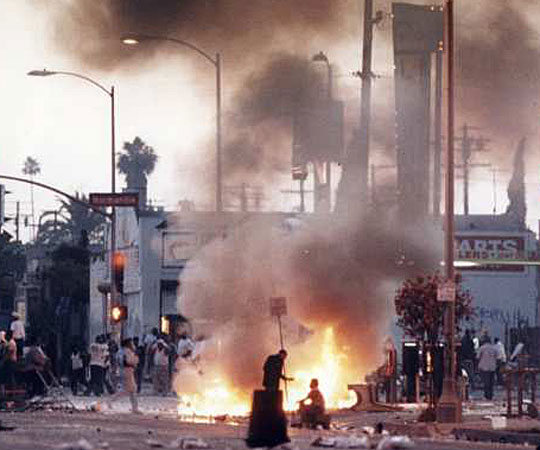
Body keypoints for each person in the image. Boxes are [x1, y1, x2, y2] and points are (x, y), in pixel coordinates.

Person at [107, 338, 141, 414]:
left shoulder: (120, 351)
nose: (132, 344)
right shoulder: (127, 351)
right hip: (127, 370)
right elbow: (127, 361)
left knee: (131, 389)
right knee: (127, 390)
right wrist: (135, 360)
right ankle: (110, 401)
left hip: (123, 370)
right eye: (131, 343)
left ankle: (134, 408)